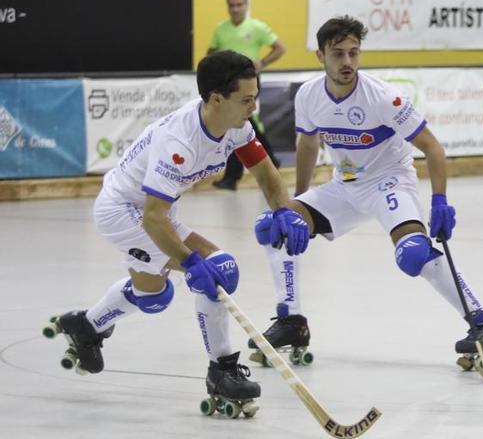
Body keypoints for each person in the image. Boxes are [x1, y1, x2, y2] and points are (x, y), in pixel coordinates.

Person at [46, 51, 306, 416]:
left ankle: (87, 325)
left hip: (156, 211)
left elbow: (265, 173)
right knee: (219, 269)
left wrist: (283, 210)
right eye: (246, 99)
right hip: (125, 212)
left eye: (255, 97)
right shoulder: (179, 143)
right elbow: (153, 219)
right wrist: (189, 261)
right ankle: (223, 369)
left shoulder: (236, 124)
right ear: (216, 99)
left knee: (153, 295)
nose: (254, 106)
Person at [246, 16, 483, 370]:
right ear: (320, 56)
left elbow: (433, 148)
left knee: (413, 254)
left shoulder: (384, 97)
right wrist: (300, 204)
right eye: (338, 54)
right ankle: (291, 321)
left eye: (354, 53)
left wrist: (440, 201)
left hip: (389, 181)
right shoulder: (309, 95)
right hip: (345, 185)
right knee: (274, 225)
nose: (347, 63)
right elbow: (307, 144)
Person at [209, 0, 285, 191]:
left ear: (246, 5)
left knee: (241, 123)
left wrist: (263, 63)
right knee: (241, 124)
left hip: (249, 82)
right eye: (232, 5)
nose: (235, 9)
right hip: (228, 84)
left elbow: (280, 48)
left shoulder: (257, 27)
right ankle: (268, 162)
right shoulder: (220, 29)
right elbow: (211, 52)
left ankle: (233, 177)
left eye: (239, 5)